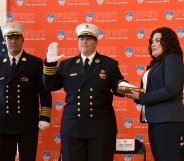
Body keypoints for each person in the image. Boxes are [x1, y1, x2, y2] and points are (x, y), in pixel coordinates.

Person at [43, 23, 128, 161]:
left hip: (100, 128)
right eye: (81, 38)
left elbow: (118, 86)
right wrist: (50, 64)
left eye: (88, 38)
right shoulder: (67, 64)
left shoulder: (109, 64)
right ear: (77, 41)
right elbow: (49, 85)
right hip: (73, 127)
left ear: (96, 42)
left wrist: (129, 88)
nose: (84, 41)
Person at [125, 27, 184, 161]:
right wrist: (136, 95)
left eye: (157, 40)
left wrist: (142, 97)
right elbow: (152, 92)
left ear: (168, 42)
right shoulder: (157, 64)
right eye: (152, 41)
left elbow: (171, 89)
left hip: (168, 120)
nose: (153, 44)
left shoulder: (173, 58)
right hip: (156, 121)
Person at [0, 22, 52, 161]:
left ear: (23, 40)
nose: (13, 41)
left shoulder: (34, 63)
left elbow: (45, 93)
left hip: (27, 124)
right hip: (3, 124)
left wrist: (45, 117)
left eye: (17, 37)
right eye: (9, 38)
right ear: (4, 40)